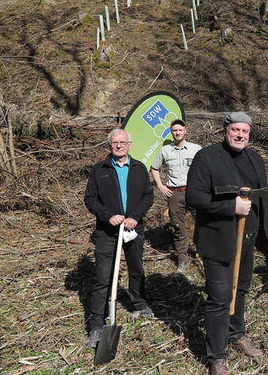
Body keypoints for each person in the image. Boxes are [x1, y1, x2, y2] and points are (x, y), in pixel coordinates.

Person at [186, 112, 268, 375]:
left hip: (248, 239)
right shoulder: (207, 157)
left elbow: (266, 195)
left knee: (241, 290)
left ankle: (236, 333)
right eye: (235, 130)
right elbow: (194, 198)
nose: (240, 135)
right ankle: (217, 357)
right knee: (219, 298)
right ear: (225, 130)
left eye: (245, 131)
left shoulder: (254, 158)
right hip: (219, 241)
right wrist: (230, 208)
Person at [84, 128, 155, 348]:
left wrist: (135, 217)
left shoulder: (139, 168)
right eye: (114, 143)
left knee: (136, 269)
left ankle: (139, 304)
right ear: (109, 145)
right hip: (107, 232)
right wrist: (108, 216)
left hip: (133, 229)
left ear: (130, 145)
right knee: (103, 278)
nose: (118, 146)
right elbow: (90, 199)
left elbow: (148, 196)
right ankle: (97, 324)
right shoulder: (99, 169)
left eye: (122, 142)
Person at [150, 118, 202, 274]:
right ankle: (182, 259)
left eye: (180, 130)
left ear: (186, 131)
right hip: (174, 193)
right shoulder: (165, 150)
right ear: (171, 133)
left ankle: (203, 252)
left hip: (194, 191)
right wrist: (161, 186)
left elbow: (206, 168)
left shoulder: (196, 149)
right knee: (177, 226)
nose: (178, 133)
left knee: (202, 222)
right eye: (174, 130)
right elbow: (154, 167)